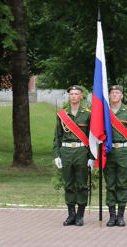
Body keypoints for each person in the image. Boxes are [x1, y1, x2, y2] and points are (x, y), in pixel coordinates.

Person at [53, 85, 94, 226]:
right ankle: (71, 214)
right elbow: (57, 136)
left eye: (77, 94)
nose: (74, 96)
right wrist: (57, 155)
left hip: (81, 151)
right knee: (69, 183)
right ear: (69, 96)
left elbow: (92, 138)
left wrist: (92, 157)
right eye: (72, 94)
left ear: (81, 96)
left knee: (82, 184)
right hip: (66, 152)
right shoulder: (62, 115)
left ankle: (80, 215)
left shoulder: (88, 114)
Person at [104, 85, 127, 227]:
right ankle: (111, 216)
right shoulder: (103, 112)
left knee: (121, 184)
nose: (114, 95)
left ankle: (120, 216)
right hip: (108, 152)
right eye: (112, 92)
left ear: (122, 96)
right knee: (110, 184)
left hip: (124, 152)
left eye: (117, 92)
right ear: (109, 95)